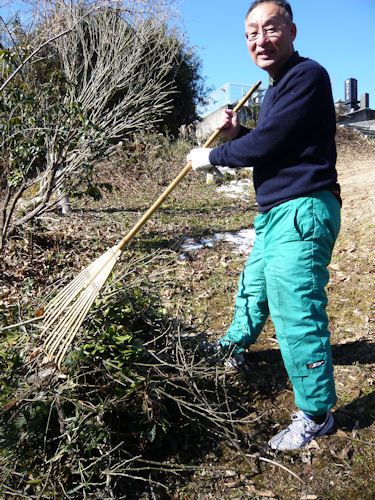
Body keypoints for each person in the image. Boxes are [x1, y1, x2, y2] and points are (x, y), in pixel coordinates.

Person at [187, 0, 341, 451]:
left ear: (292, 31)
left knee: (297, 312)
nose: (261, 39)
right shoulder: (277, 88)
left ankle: (316, 415)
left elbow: (270, 142)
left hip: (303, 209)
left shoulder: (307, 75)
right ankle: (233, 346)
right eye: (252, 33)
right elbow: (269, 139)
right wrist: (237, 136)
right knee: (253, 285)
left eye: (270, 28)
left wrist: (213, 155)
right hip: (275, 213)